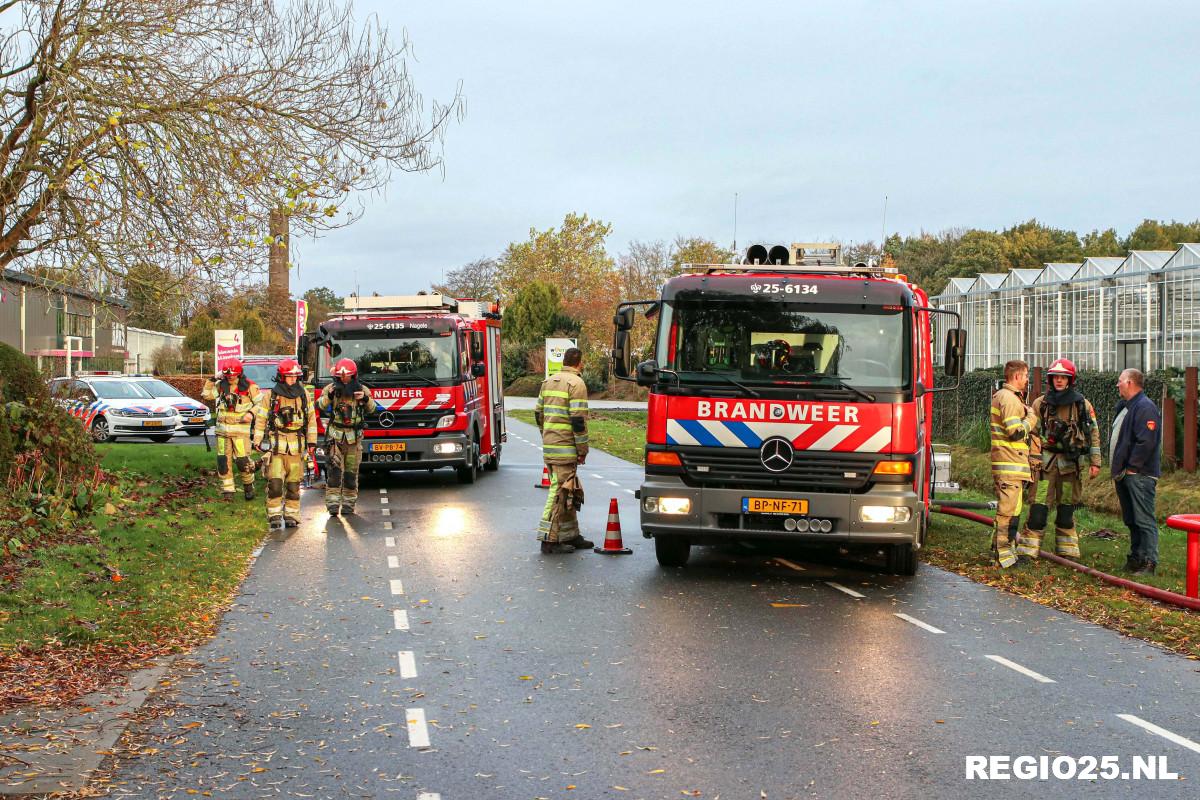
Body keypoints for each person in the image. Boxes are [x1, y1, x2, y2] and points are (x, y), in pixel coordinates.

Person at [1017, 358, 1102, 560]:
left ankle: (1067, 552)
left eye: (1063, 377)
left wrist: (1095, 462)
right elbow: (1030, 433)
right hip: (1045, 468)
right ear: (1051, 379)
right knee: (1038, 509)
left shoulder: (1082, 405)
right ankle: (1028, 552)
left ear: (1070, 380)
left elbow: (1093, 433)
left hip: (1069, 468)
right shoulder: (1041, 404)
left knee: (1066, 510)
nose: (1059, 381)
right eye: (1056, 377)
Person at [534, 347, 593, 554]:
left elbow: (538, 412)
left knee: (567, 489)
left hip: (550, 446)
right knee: (559, 494)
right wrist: (582, 449)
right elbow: (578, 421)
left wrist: (546, 434)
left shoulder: (548, 382)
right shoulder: (576, 384)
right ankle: (548, 540)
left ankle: (570, 535)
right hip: (566, 448)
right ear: (580, 363)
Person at [1111, 368, 1162, 575]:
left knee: (1144, 519)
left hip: (1138, 475)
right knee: (1132, 519)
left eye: (1120, 381)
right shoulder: (1128, 407)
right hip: (1127, 474)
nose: (1117, 385)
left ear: (1131, 383)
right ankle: (1136, 558)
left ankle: (1149, 562)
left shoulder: (1144, 407)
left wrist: (1132, 467)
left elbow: (1146, 441)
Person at [989, 360, 1038, 569]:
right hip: (1009, 464)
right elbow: (1015, 432)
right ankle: (1003, 557)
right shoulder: (1008, 399)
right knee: (1007, 512)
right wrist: (1031, 419)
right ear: (1017, 376)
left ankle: (1004, 553)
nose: (1027, 380)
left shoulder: (1008, 397)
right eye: (1026, 376)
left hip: (1011, 465)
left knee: (1013, 510)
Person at [256, 359, 317, 528]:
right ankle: (274, 515)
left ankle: (291, 515)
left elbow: (311, 419)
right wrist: (257, 439)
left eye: (295, 376)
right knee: (275, 484)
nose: (292, 380)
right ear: (281, 377)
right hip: (277, 446)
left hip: (297, 447)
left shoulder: (303, 394)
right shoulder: (271, 395)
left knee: (293, 484)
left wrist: (312, 442)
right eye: (289, 376)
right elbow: (261, 418)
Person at [316, 357, 373, 516]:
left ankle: (349, 505)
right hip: (335, 438)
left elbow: (373, 409)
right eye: (341, 377)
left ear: (353, 376)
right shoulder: (330, 388)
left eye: (347, 376)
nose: (344, 379)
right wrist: (330, 395)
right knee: (334, 473)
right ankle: (332, 505)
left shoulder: (362, 390)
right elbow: (319, 405)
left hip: (354, 440)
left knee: (350, 474)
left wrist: (365, 399)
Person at [201, 358, 263, 501]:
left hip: (240, 433)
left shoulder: (250, 386)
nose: (230, 378)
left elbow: (261, 404)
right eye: (227, 375)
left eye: (233, 375)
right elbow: (206, 395)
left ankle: (248, 486)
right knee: (223, 461)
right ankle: (228, 491)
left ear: (239, 373)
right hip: (222, 433)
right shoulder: (220, 385)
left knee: (242, 462)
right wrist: (212, 379)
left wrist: (251, 414)